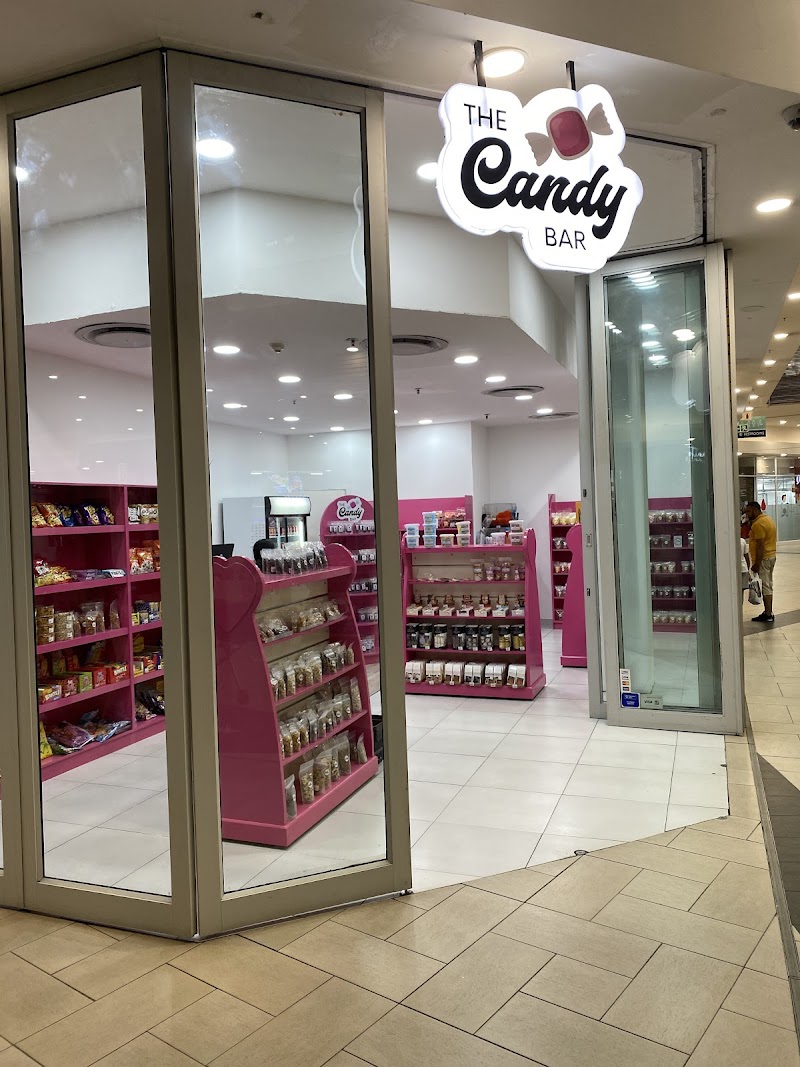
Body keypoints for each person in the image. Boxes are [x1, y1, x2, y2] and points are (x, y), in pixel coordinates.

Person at [745, 500, 778, 623]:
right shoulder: (768, 520)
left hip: (763, 559)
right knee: (767, 583)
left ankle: (768, 614)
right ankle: (767, 612)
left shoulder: (758, 524)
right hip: (771, 556)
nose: (747, 514)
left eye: (749, 511)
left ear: (755, 510)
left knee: (765, 586)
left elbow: (760, 546)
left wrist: (756, 564)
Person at [741, 534, 751, 604]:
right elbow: (746, 557)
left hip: (736, 570)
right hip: (744, 568)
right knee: (741, 591)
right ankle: (740, 606)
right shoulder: (742, 541)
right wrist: (748, 569)